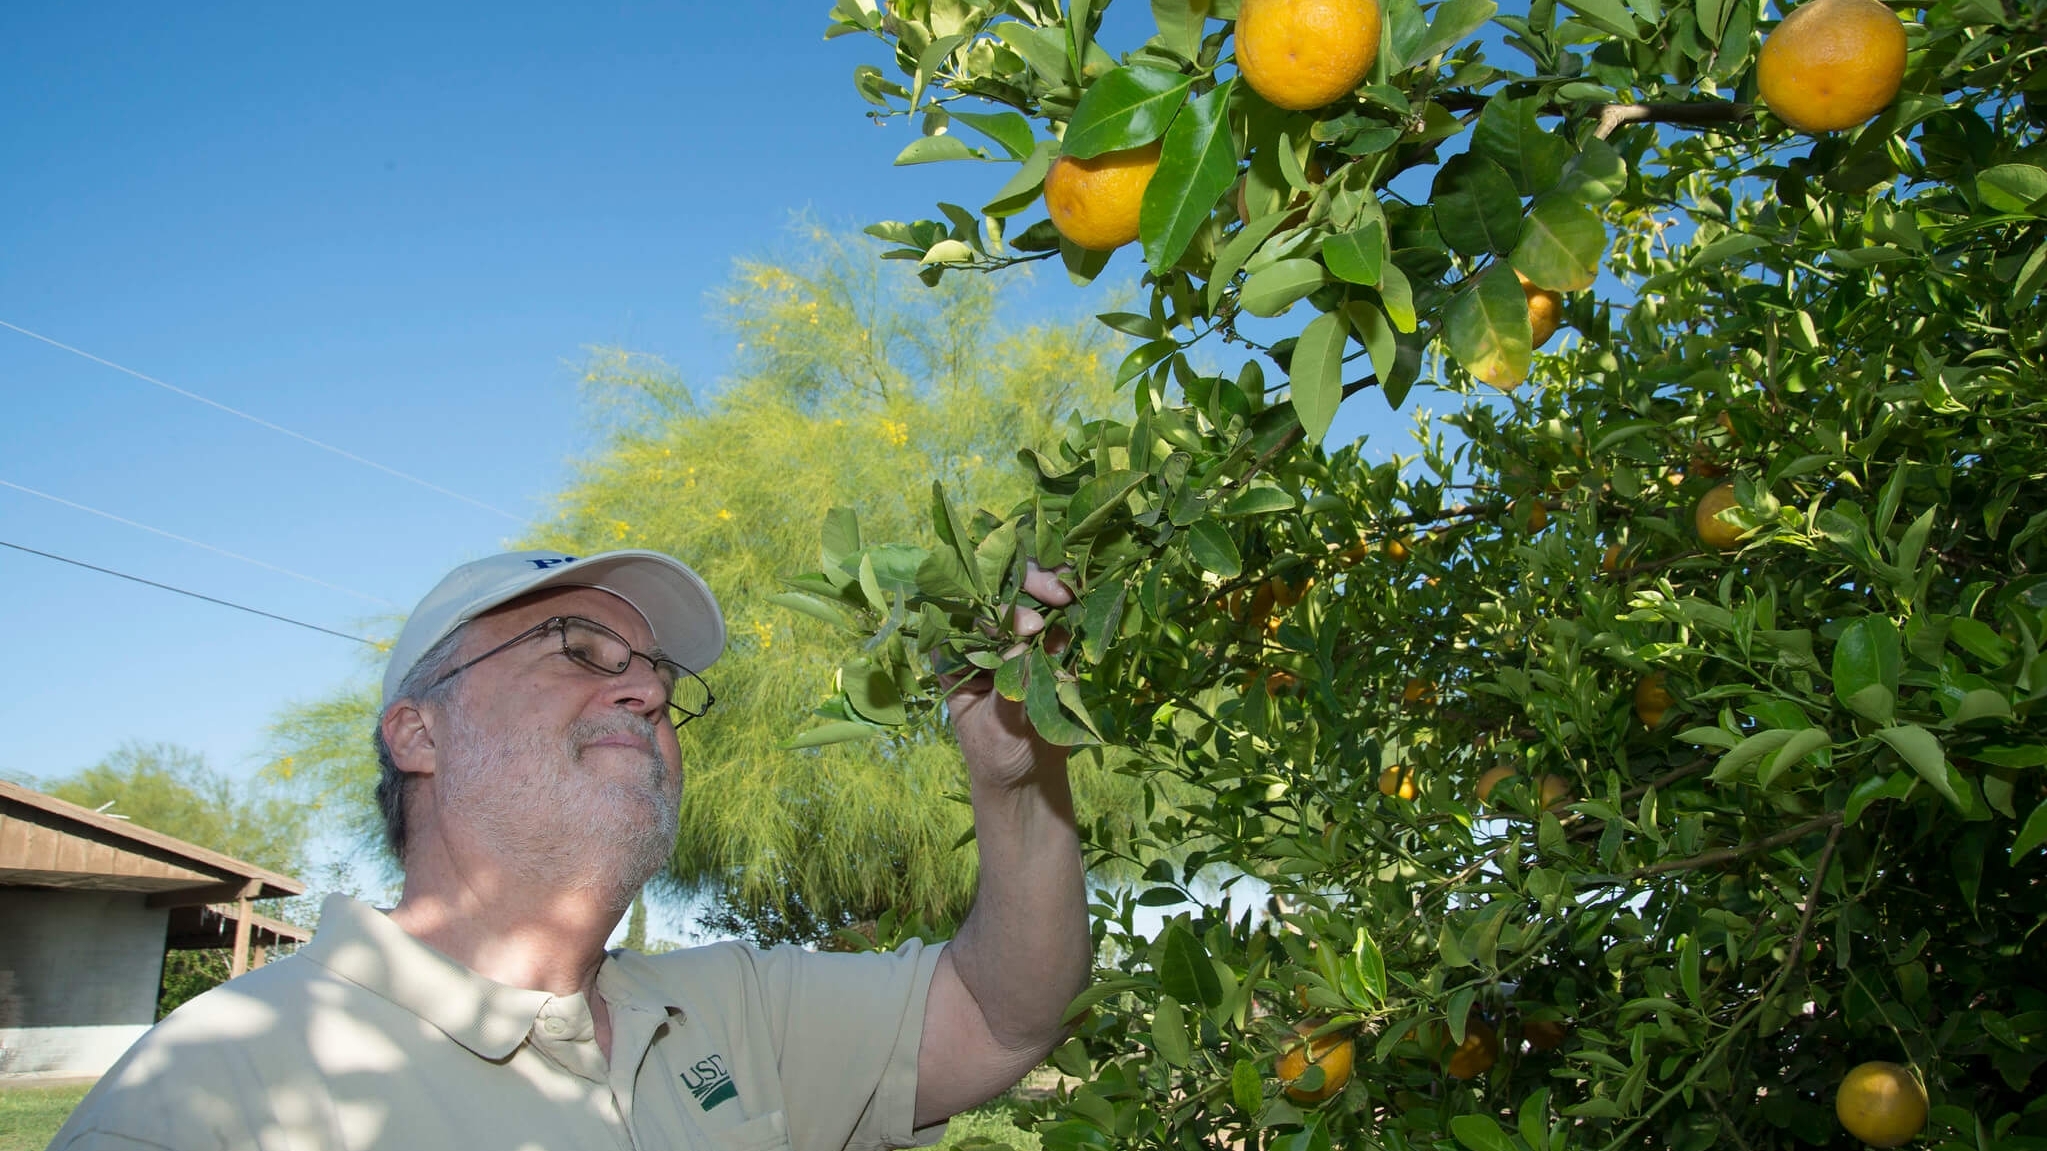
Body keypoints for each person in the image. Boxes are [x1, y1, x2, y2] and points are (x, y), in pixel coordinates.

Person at [50, 549, 1090, 1151]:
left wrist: (1016, 780)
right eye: (578, 652)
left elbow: (1002, 1011)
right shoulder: (214, 1090)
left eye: (658, 676)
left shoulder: (734, 1010)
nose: (646, 690)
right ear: (418, 732)